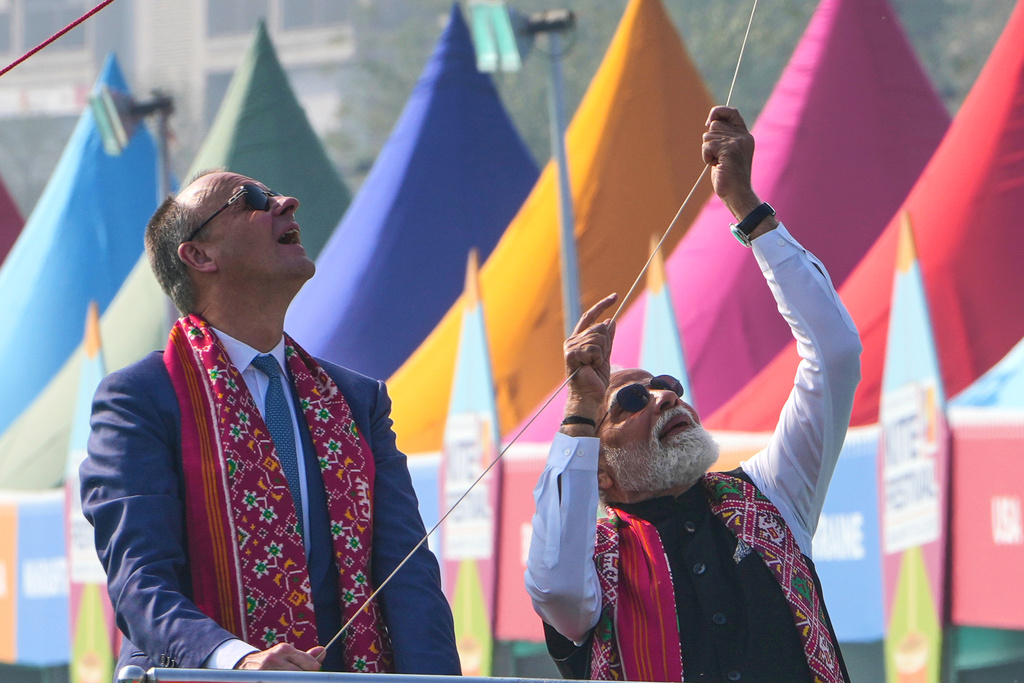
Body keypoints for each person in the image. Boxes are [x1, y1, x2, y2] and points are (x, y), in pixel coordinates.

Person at [525, 106, 862, 683]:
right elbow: (553, 581)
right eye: (631, 401)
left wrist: (747, 208)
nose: (662, 398)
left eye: (666, 385)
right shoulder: (591, 576)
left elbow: (834, 355)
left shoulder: (772, 497)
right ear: (601, 471)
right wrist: (580, 407)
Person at [81, 171, 460, 676]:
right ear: (199, 256)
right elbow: (139, 582)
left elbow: (410, 580)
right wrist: (238, 660)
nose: (288, 201)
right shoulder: (140, 399)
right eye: (253, 199)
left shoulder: (355, 401)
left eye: (276, 193)